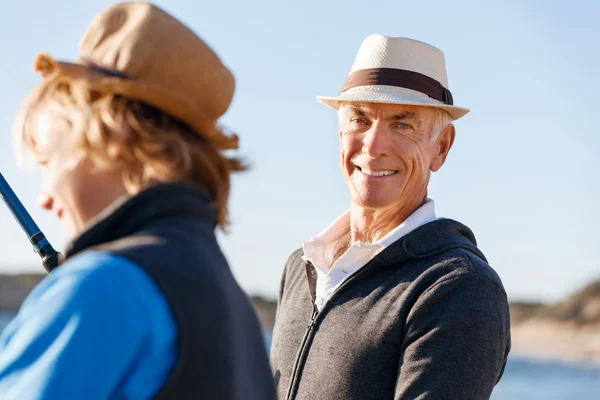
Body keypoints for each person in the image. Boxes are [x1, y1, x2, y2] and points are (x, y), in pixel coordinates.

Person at [0, 2, 276, 399]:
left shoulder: (102, 288)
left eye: (48, 161)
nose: (44, 198)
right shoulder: (233, 305)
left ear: (116, 136)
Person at [270, 34, 511, 400]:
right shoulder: (299, 267)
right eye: (360, 120)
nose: (373, 146)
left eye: (402, 124)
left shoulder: (460, 289)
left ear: (441, 148)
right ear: (340, 132)